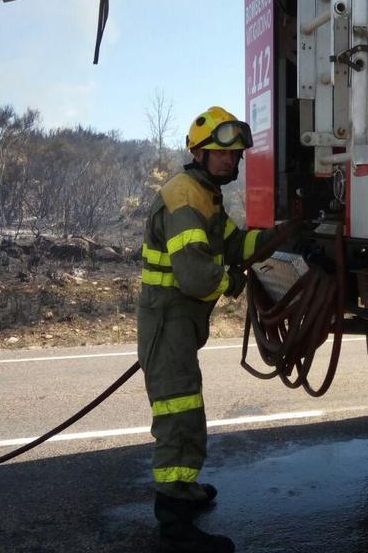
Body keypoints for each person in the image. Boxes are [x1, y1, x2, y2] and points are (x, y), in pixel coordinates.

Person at [137, 106, 290, 553]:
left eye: (237, 154)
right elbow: (196, 274)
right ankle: (175, 525)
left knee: (185, 405)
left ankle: (183, 492)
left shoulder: (205, 195)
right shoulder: (185, 198)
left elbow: (233, 242)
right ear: (199, 152)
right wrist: (233, 280)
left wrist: (281, 235)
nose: (233, 161)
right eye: (223, 154)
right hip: (169, 320)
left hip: (178, 321)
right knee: (178, 414)